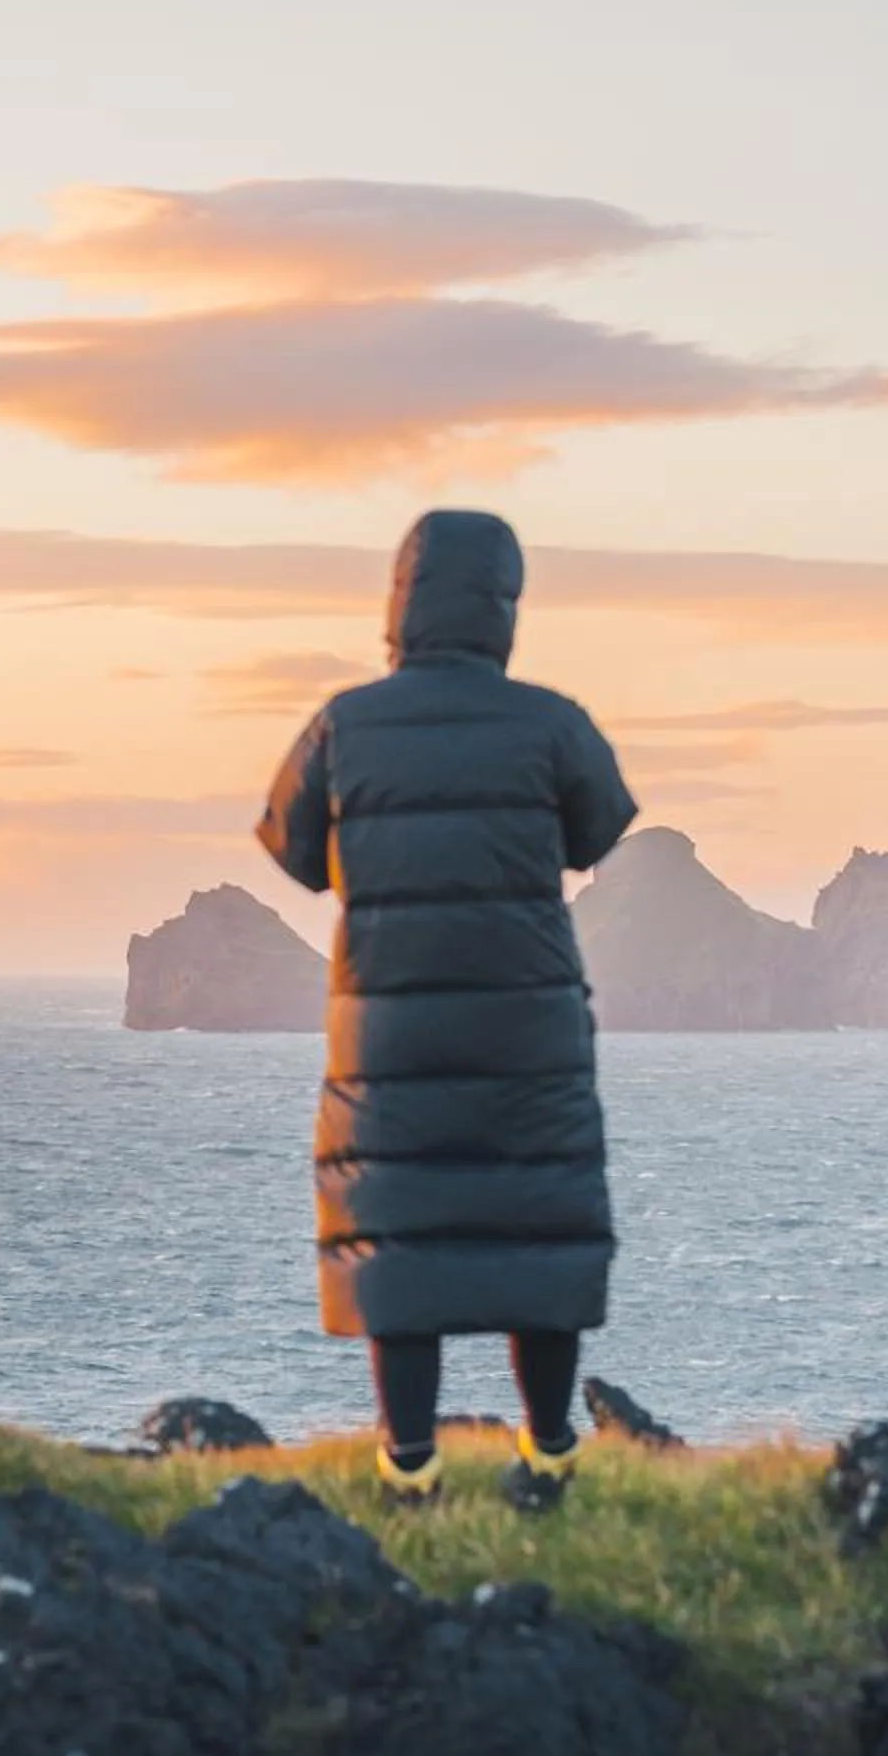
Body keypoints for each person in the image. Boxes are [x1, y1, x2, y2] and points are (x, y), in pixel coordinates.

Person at [257, 508, 638, 1511]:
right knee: (537, 1226)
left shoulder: (344, 722)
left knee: (402, 1228)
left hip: (390, 1023)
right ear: (504, 607)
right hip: (527, 1021)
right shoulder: (552, 721)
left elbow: (291, 849)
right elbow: (599, 828)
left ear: (400, 604)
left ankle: (410, 1462)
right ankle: (551, 1453)